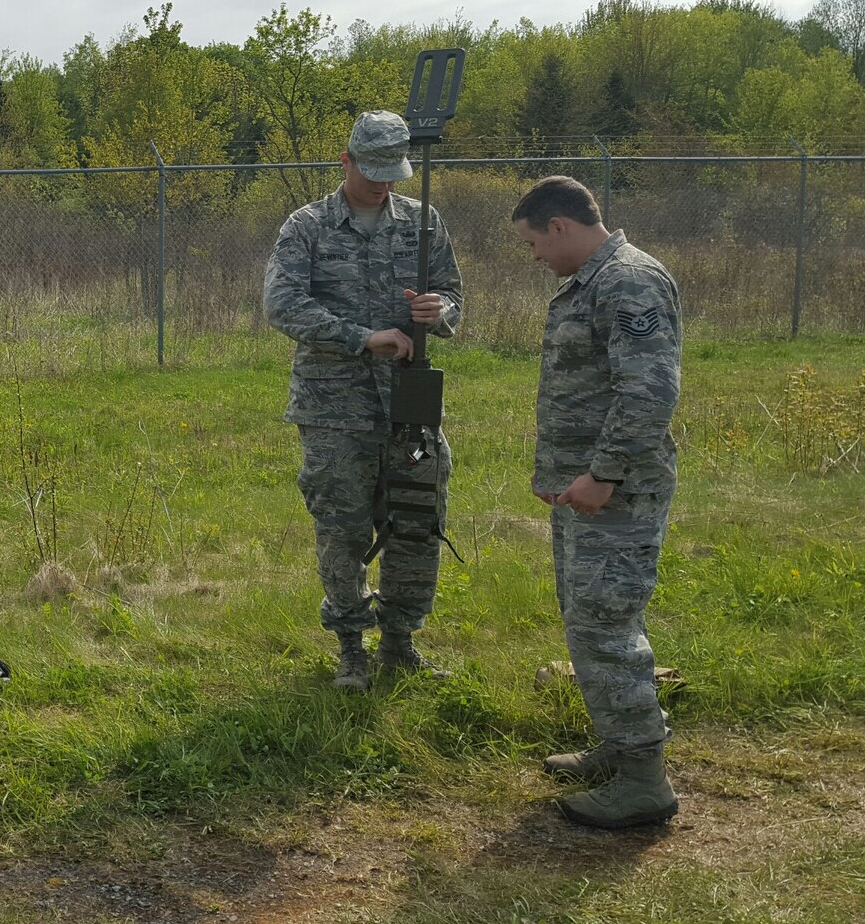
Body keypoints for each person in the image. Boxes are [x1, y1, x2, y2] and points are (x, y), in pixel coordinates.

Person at [263, 110, 463, 692]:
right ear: (346, 161)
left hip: (410, 403)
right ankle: (351, 646)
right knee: (342, 526)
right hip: (334, 408)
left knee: (417, 520)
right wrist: (362, 338)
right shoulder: (307, 226)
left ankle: (400, 642)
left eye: (391, 172)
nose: (382, 183)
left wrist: (440, 312)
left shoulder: (424, 223)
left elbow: (452, 292)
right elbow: (283, 305)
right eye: (370, 170)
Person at [512, 175, 682, 829]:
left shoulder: (630, 282)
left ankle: (644, 779)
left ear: (560, 226)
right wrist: (560, 471)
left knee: (608, 623)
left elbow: (648, 393)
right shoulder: (590, 282)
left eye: (533, 242)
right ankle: (619, 743)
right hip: (587, 489)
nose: (533, 256)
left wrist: (604, 473)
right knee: (588, 617)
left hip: (620, 492)